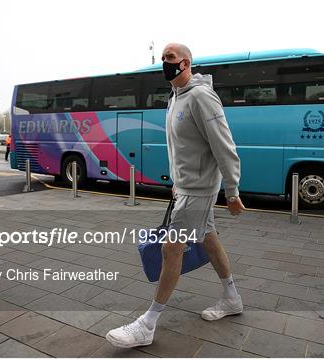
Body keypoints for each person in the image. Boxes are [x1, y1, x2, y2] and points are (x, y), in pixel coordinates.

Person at [106, 43, 246, 348]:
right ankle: (232, 298)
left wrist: (232, 191)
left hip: (199, 188)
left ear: (185, 63)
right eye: (162, 59)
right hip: (186, 186)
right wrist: (177, 180)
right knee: (209, 238)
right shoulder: (176, 98)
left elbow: (225, 146)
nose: (164, 63)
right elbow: (180, 146)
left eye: (170, 58)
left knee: (172, 249)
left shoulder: (200, 96)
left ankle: (148, 324)